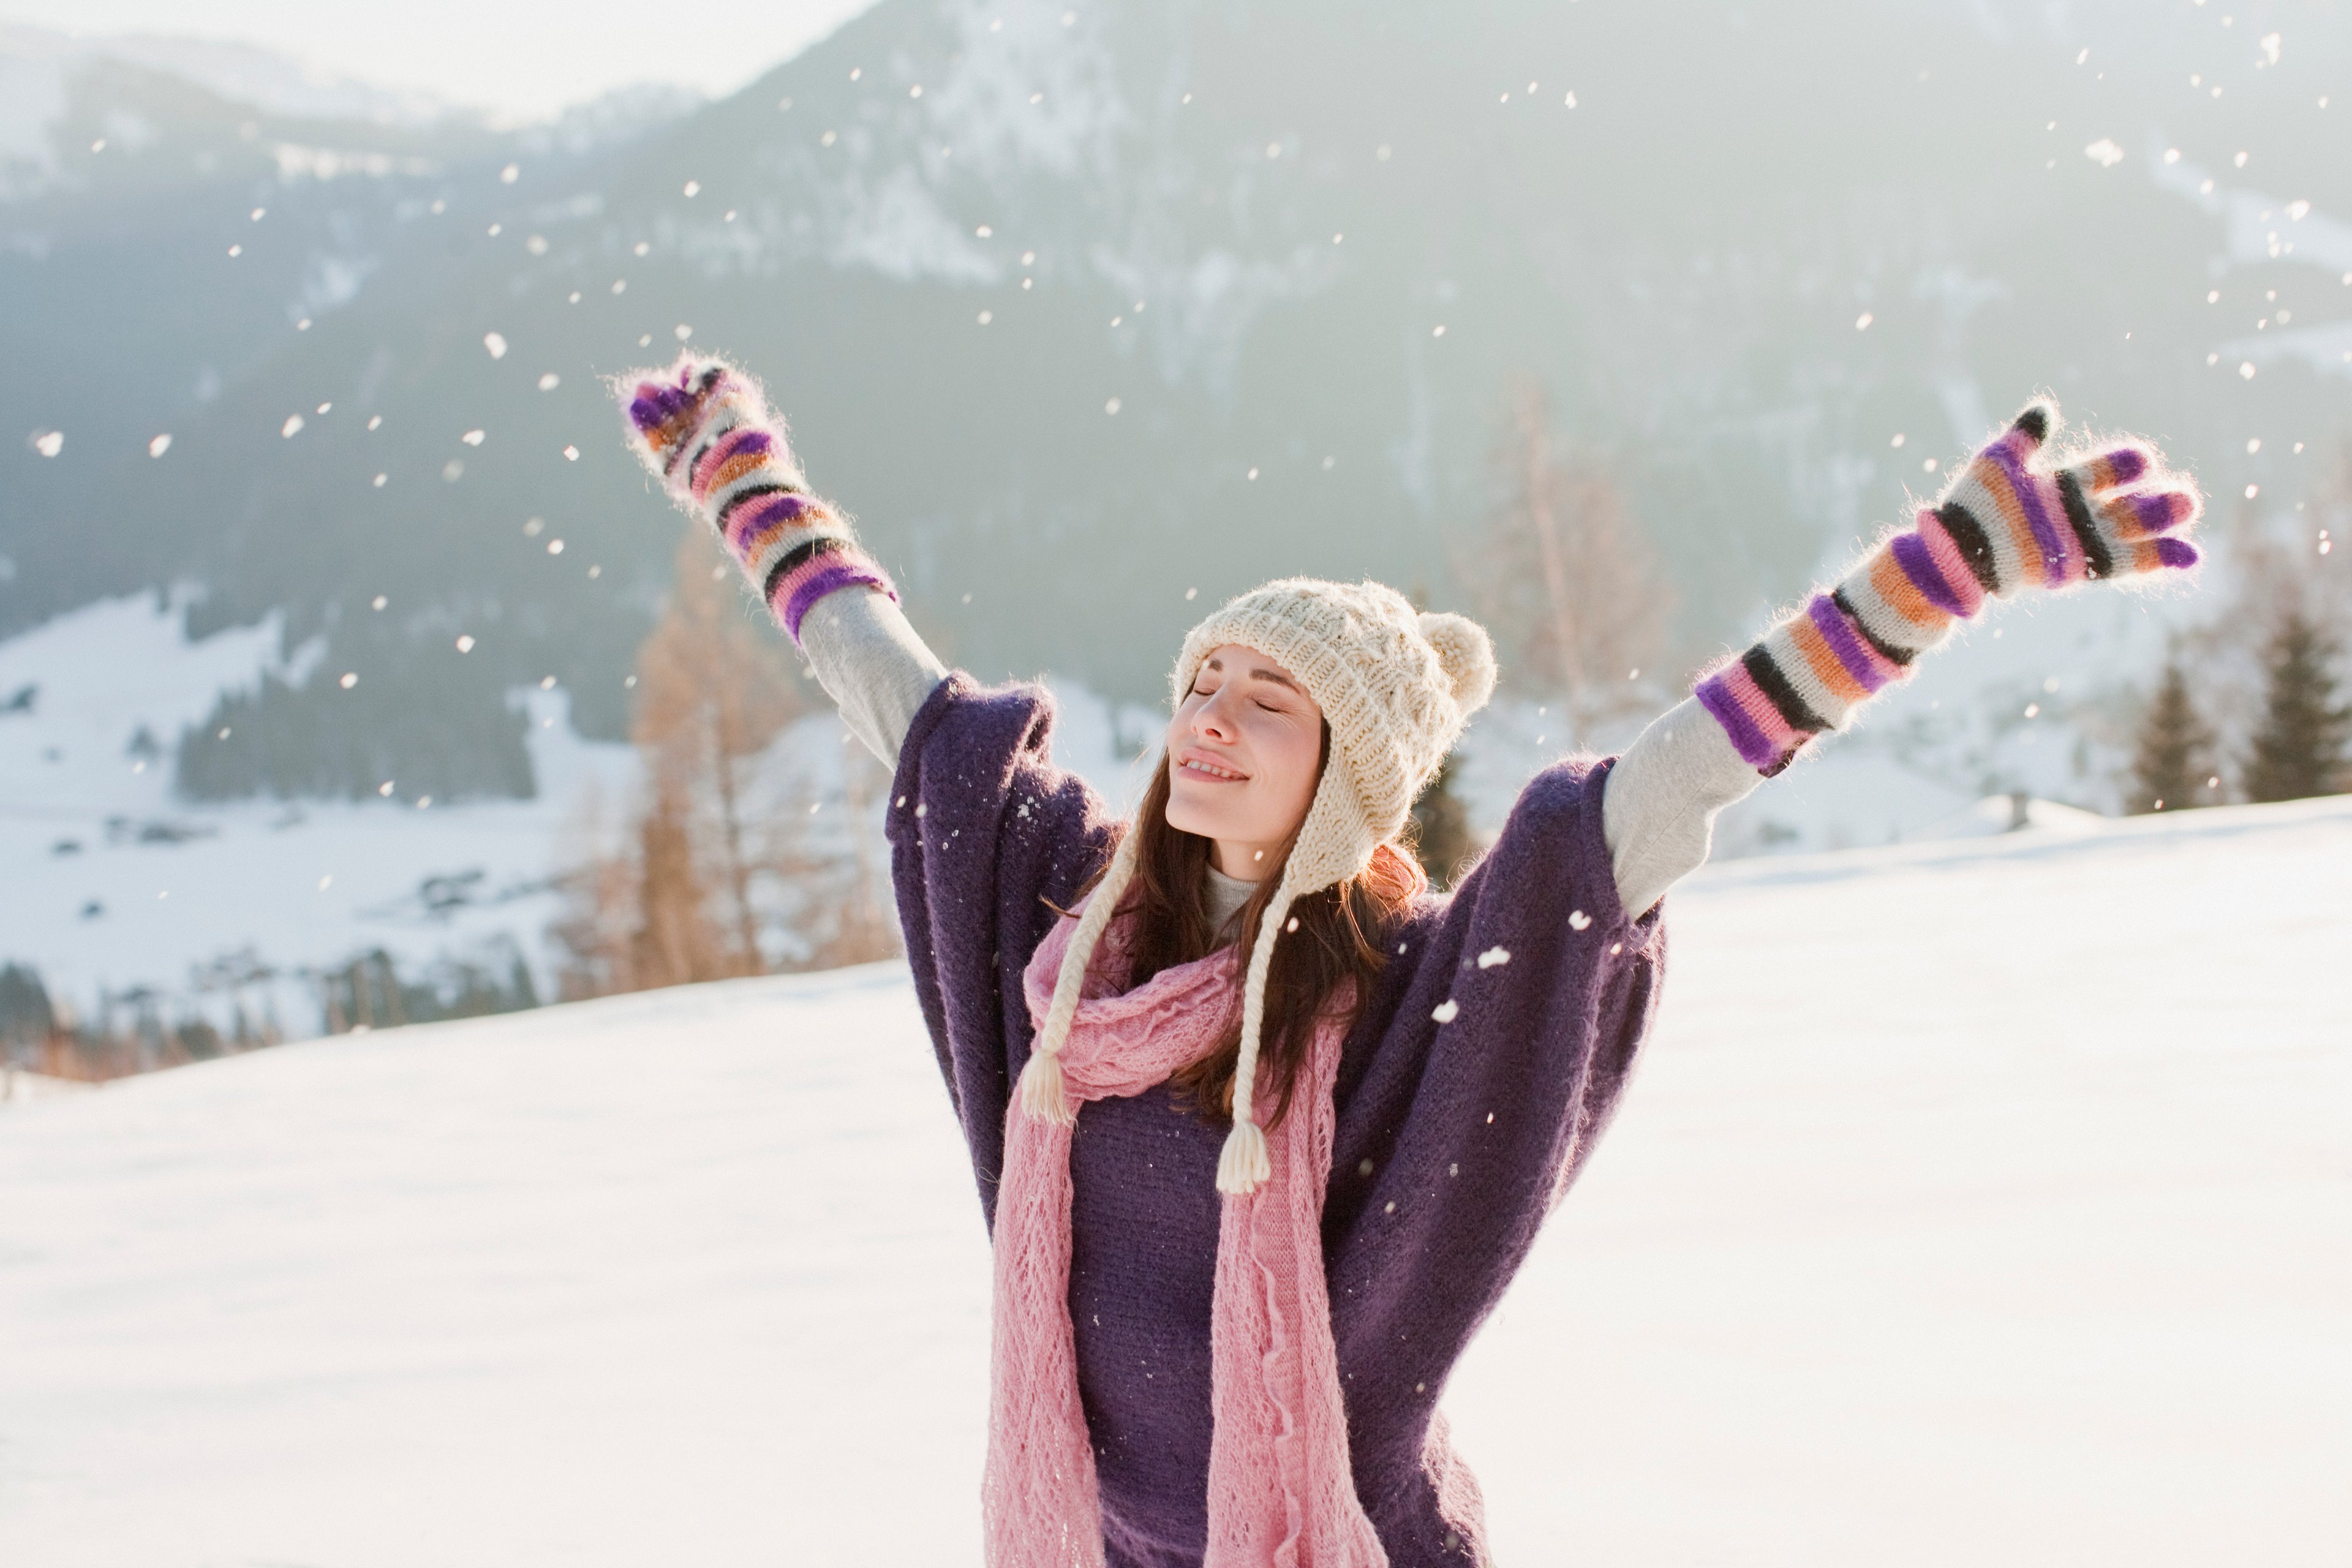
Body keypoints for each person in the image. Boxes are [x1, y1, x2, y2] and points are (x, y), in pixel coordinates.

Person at [616, 356, 2203, 1566]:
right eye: (1206, 682)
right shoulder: (1074, 937)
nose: (1213, 722)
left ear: (1347, 776)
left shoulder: (1402, 994)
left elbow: (1650, 798)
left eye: (1270, 702)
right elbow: (910, 713)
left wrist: (1935, 575)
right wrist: (751, 491)